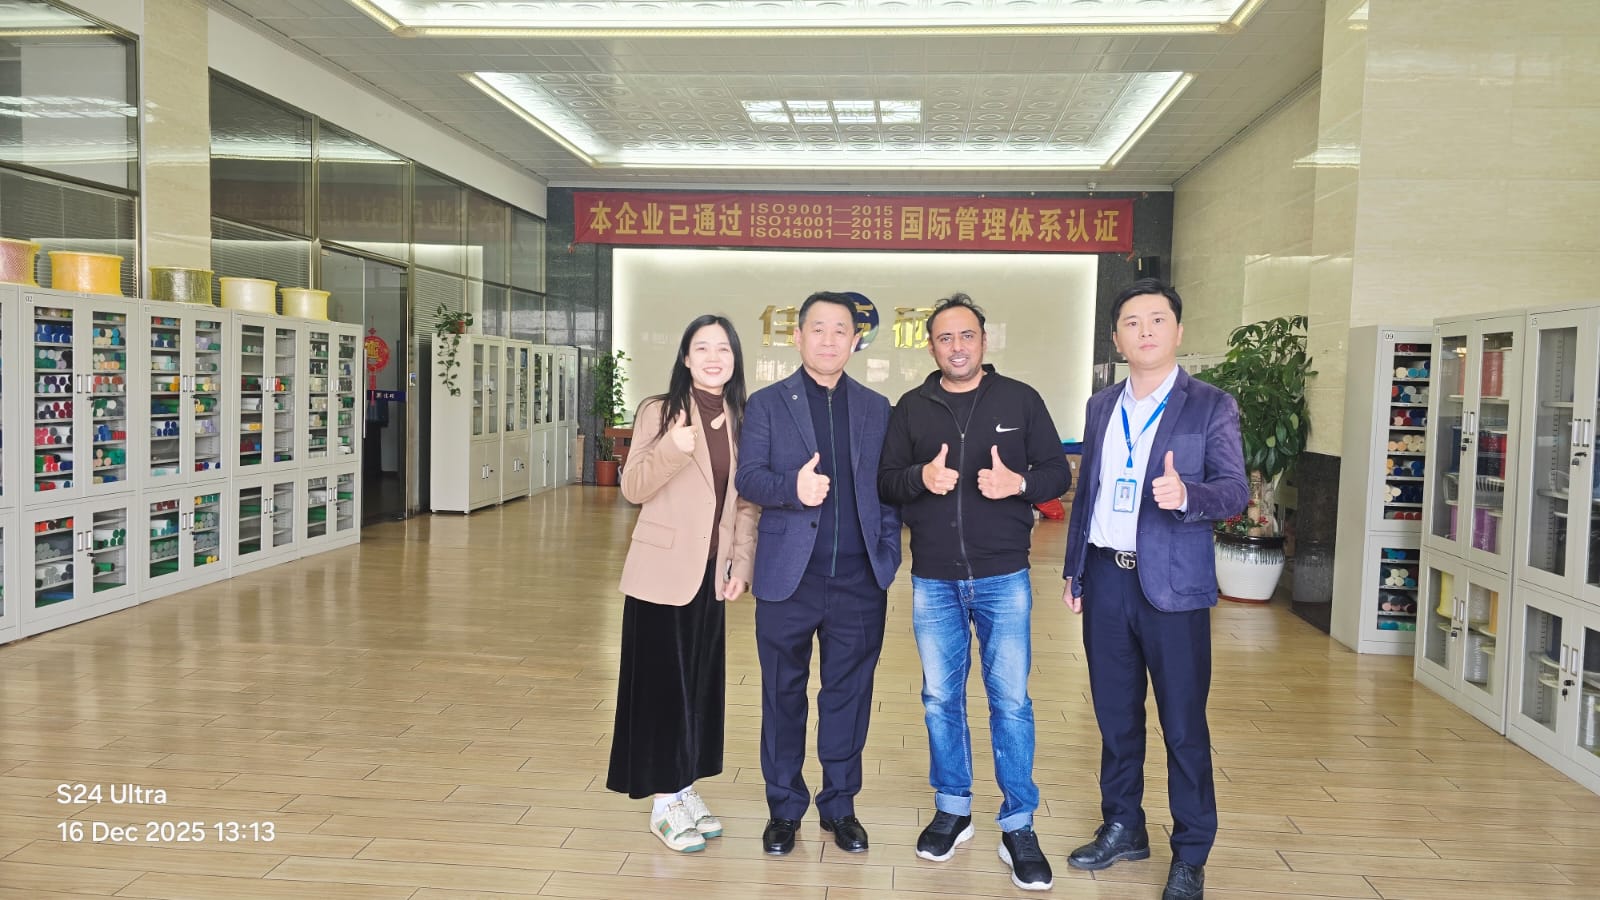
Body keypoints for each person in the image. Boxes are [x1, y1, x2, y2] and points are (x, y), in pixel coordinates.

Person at [1060, 279, 1248, 900]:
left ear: (1178, 332)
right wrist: (1074, 568)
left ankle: (1191, 852)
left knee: (1183, 724)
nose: (1145, 331)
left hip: (1173, 588)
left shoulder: (1210, 405)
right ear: (1116, 338)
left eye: (1157, 320)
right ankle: (1124, 825)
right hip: (1106, 578)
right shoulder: (1100, 406)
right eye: (1132, 322)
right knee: (1115, 718)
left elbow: (1235, 490)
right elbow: (1088, 493)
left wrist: (1189, 495)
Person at [878, 293, 1071, 891]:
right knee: (941, 698)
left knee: (1010, 701)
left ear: (984, 342)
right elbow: (887, 482)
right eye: (945, 338)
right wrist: (921, 477)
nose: (956, 347)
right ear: (931, 346)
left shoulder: (1021, 399)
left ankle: (1018, 824)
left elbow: (1057, 472)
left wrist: (1019, 485)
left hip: (1003, 576)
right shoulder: (911, 408)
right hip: (933, 577)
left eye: (967, 336)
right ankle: (953, 808)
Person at [735, 290, 902, 856]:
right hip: (788, 578)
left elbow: (887, 490)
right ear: (798, 336)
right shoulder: (767, 404)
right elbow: (749, 478)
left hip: (859, 580)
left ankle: (840, 805)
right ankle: (784, 808)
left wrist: (886, 552)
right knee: (782, 694)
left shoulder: (877, 408)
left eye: (841, 330)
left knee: (848, 695)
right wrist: (793, 488)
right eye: (818, 329)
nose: (829, 340)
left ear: (856, 340)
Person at [606, 315, 759, 853]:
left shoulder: (742, 418)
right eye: (702, 348)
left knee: (698, 686)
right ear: (686, 358)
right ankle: (663, 802)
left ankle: (684, 784)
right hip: (661, 574)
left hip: (710, 575)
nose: (714, 357)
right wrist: (672, 446)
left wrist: (741, 564)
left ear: (734, 359)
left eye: (724, 348)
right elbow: (633, 487)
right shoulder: (660, 411)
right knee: (661, 691)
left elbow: (746, 502)